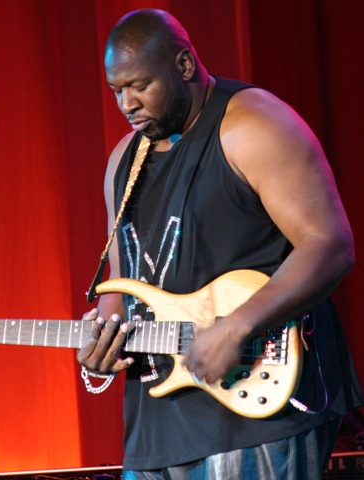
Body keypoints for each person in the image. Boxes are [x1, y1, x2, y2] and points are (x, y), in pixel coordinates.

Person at [77, 8, 363, 480]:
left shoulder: (252, 124)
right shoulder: (122, 161)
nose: (127, 103)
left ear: (184, 64)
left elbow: (329, 244)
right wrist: (103, 341)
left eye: (140, 86)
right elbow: (121, 278)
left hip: (259, 412)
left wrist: (236, 328)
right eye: (117, 90)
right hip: (155, 429)